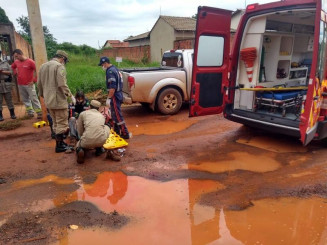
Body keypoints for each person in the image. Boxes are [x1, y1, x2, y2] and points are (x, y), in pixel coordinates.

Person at [37, 50, 75, 153]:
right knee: (62, 123)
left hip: (48, 100)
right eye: (65, 61)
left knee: (55, 122)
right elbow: (61, 83)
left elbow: (39, 84)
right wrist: (70, 95)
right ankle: (60, 145)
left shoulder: (43, 66)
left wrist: (42, 95)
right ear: (62, 58)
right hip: (58, 100)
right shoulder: (59, 67)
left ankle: (60, 143)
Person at [98, 56, 131, 139]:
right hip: (118, 94)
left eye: (102, 65)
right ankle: (117, 131)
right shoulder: (115, 68)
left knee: (118, 115)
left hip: (114, 96)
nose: (102, 67)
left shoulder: (110, 72)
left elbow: (112, 88)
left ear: (105, 63)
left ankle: (125, 133)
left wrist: (109, 98)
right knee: (114, 115)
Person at [76, 100, 110, 164]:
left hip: (86, 141)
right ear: (98, 108)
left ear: (89, 106)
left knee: (78, 144)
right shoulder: (101, 116)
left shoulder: (83, 113)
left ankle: (80, 150)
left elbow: (80, 130)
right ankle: (99, 149)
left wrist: (82, 137)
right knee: (106, 127)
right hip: (102, 141)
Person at [11, 49, 42, 119]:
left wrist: (34, 81)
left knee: (33, 98)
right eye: (15, 57)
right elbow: (12, 67)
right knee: (25, 99)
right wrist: (15, 72)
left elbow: (39, 71)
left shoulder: (30, 62)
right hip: (20, 84)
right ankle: (30, 112)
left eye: (16, 56)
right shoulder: (16, 62)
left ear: (20, 54)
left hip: (29, 85)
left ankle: (39, 113)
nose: (16, 58)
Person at [0, 52, 16, 121]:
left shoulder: (5, 63)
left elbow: (11, 72)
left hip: (6, 84)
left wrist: (2, 72)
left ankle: (12, 114)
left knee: (9, 99)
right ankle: (0, 116)